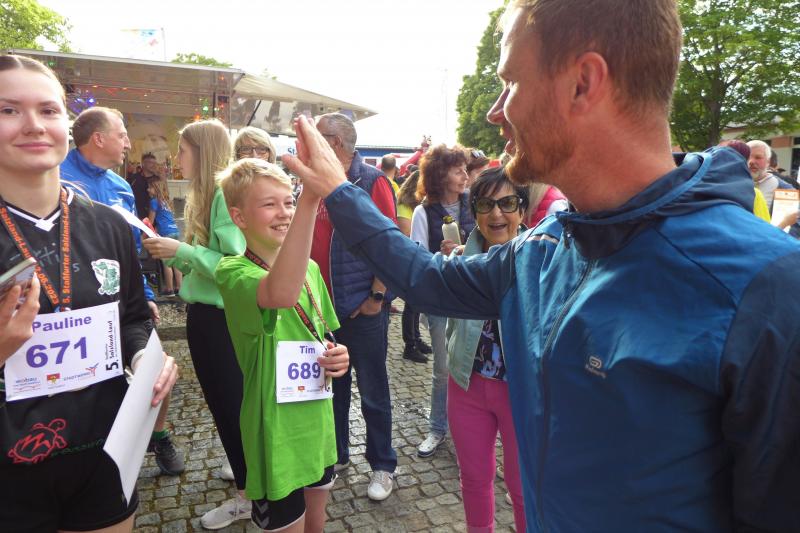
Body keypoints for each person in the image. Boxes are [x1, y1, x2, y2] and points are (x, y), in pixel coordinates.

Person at [283, 0, 800, 529]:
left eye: (510, 82)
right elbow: (428, 279)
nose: (495, 111)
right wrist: (339, 192)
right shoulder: (547, 247)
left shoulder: (771, 288)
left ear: (583, 83)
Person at [0, 53, 178, 532]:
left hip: (103, 451)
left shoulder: (108, 223)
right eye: (9, 110)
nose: (34, 125)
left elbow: (134, 317)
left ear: (66, 123)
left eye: (49, 110)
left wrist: (144, 359)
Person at [215, 158, 350, 533]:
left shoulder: (311, 269)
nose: (284, 212)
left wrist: (338, 355)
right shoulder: (233, 271)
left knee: (316, 523)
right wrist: (310, 200)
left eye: (289, 202)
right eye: (269, 204)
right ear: (239, 217)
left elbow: (322, 335)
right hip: (274, 434)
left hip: (316, 422)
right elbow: (281, 293)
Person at [59, 105, 183, 476]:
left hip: (121, 299)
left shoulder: (120, 186)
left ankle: (159, 436)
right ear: (98, 139)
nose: (129, 143)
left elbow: (128, 249)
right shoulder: (56, 177)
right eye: (122, 135)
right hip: (72, 303)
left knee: (156, 369)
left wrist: (144, 293)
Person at [143, 119, 251, 529]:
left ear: (202, 152)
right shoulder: (206, 195)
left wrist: (182, 251)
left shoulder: (222, 195)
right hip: (208, 317)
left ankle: (249, 495)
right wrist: (170, 252)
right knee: (225, 407)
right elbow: (203, 265)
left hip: (223, 319)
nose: (176, 157)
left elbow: (236, 264)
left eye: (183, 150)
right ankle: (247, 483)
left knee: (231, 407)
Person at [311, 112, 398, 501]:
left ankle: (382, 464)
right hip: (324, 311)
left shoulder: (372, 181)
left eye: (315, 138)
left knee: (373, 390)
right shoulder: (314, 181)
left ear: (334, 142)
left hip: (361, 307)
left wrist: (376, 297)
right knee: (333, 388)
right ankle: (338, 454)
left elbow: (390, 243)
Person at [447, 167, 528, 532]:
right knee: (474, 478)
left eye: (507, 203)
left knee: (523, 485)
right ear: (475, 212)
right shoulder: (461, 262)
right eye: (485, 204)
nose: (496, 213)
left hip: (520, 391)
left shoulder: (543, 259)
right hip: (466, 384)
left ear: (522, 209)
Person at [410, 144, 474, 459]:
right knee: (443, 369)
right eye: (457, 170)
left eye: (465, 170)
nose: (464, 176)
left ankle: (470, 431)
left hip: (475, 298)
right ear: (439, 174)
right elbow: (418, 258)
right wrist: (442, 254)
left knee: (474, 369)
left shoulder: (475, 203)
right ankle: (437, 427)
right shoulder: (424, 212)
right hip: (441, 301)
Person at [395, 170, 432, 363]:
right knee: (411, 305)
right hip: (407, 259)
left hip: (415, 258)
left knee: (416, 304)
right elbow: (406, 232)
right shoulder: (404, 204)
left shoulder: (417, 205)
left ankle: (416, 339)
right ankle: (409, 345)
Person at [147, 178, 182, 296]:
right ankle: (179, 288)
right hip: (175, 231)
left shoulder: (154, 201)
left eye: (150, 187)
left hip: (166, 233)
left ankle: (169, 289)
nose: (148, 190)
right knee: (176, 262)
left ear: (156, 189)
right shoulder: (166, 202)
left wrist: (144, 234)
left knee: (167, 263)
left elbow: (150, 221)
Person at [128, 152, 160, 218]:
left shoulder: (158, 180)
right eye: (151, 163)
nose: (154, 165)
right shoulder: (134, 178)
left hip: (154, 218)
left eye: (155, 163)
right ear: (143, 164)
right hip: (136, 216)